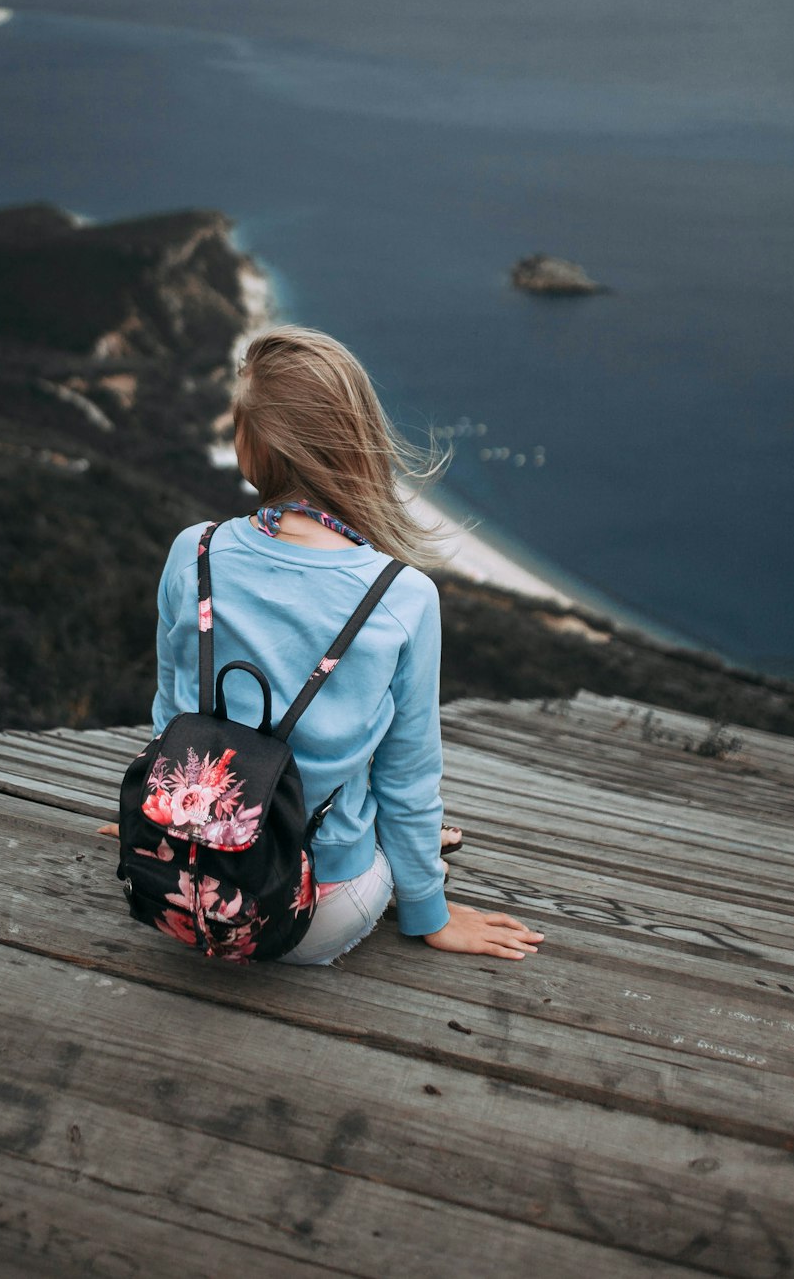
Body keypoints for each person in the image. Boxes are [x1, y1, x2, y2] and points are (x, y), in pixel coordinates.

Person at [149, 324, 544, 967]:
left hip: (179, 884)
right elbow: (408, 776)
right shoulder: (402, 595)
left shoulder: (193, 552)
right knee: (393, 819)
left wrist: (161, 820)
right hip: (311, 914)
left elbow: (173, 715)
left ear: (254, 449)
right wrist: (430, 914)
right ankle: (399, 857)